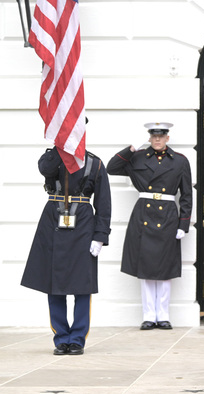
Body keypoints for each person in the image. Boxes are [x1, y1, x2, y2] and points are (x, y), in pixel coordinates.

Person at [21, 144, 111, 356]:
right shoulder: (52, 157)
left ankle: (77, 338)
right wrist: (58, 148)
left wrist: (100, 236)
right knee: (53, 284)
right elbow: (45, 169)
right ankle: (61, 337)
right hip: (53, 220)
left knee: (83, 285)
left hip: (83, 224)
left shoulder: (95, 162)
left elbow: (104, 203)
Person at [107, 122, 192, 330]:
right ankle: (148, 315)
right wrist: (131, 148)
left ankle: (163, 315)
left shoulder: (180, 161)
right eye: (153, 136)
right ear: (149, 137)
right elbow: (111, 168)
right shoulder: (137, 157)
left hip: (168, 215)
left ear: (167, 138)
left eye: (161, 136)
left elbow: (187, 195)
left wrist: (184, 223)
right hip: (144, 213)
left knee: (164, 268)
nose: (157, 139)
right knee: (145, 269)